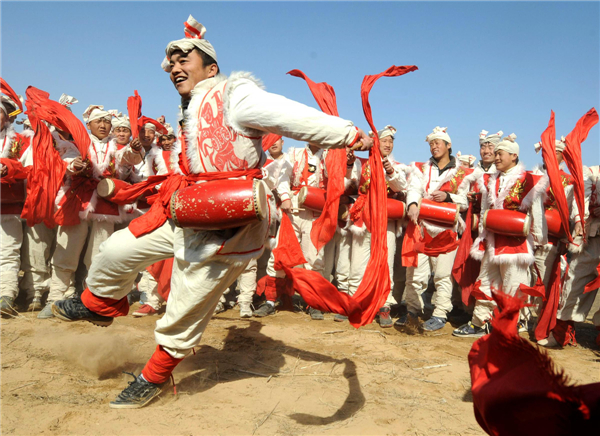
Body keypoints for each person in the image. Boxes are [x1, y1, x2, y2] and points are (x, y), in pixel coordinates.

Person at [51, 15, 372, 408]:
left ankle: (154, 376)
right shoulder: (191, 106)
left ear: (211, 68)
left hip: (230, 221)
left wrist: (349, 135)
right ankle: (98, 305)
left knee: (189, 299)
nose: (174, 68)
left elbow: (289, 114)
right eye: (171, 64)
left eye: (184, 60)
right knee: (117, 250)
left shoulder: (236, 95)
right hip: (188, 208)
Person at [39, 105, 144, 319]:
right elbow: (66, 157)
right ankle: (54, 299)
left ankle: (90, 303)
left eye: (107, 122)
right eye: (99, 122)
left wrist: (134, 150)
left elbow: (128, 159)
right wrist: (73, 164)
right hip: (77, 203)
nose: (104, 125)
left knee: (98, 256)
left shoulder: (116, 147)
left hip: (105, 206)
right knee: (66, 253)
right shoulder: (79, 143)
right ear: (89, 125)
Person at [453, 134, 547, 337]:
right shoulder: (489, 179)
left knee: (514, 284)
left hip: (516, 245)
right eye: (494, 154)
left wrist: (540, 239)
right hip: (492, 240)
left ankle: (513, 325)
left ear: (513, 156)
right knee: (486, 281)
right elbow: (486, 210)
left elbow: (536, 214)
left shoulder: (529, 180)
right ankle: (480, 322)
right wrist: (482, 236)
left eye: (499, 153)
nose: (495, 157)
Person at [398, 127, 469, 331]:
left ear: (449, 145)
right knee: (416, 274)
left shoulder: (461, 173)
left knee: (442, 275)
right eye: (431, 143)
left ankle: (440, 314)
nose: (434, 146)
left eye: (438, 143)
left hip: (446, 230)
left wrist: (449, 197)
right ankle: (412, 310)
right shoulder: (421, 168)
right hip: (422, 229)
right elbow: (413, 188)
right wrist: (412, 204)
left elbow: (464, 202)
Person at [346, 125, 407, 327]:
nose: (388, 144)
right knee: (357, 263)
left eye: (391, 141)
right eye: (384, 140)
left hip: (385, 220)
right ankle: (355, 303)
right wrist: (347, 164)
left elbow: (401, 187)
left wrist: (390, 172)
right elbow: (349, 180)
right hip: (364, 217)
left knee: (385, 263)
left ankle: (384, 307)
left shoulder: (396, 165)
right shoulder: (361, 163)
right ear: (376, 142)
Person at [538, 164, 599, 347]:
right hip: (590, 237)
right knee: (574, 281)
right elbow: (581, 198)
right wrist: (580, 218)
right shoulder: (590, 172)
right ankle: (562, 332)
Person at [0, 81, 32, 317]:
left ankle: (6, 296)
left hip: (8, 207)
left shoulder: (21, 141)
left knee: (8, 253)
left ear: (7, 119)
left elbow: (30, 169)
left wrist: (7, 167)